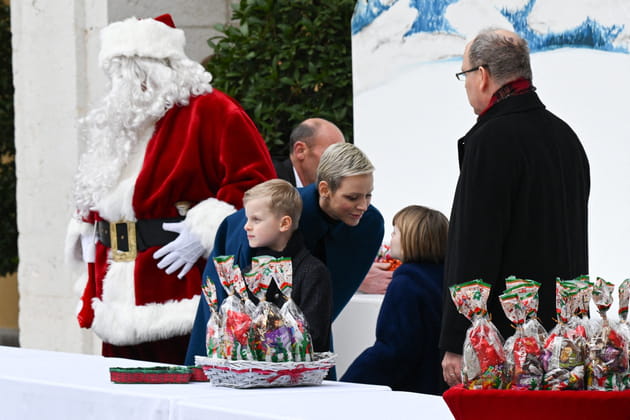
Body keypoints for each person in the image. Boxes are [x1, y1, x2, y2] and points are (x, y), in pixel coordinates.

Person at [65, 14, 276, 364]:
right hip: (115, 297)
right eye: (117, 72)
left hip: (180, 293)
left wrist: (206, 229)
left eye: (134, 71)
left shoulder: (211, 112)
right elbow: (99, 191)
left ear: (164, 67)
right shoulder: (121, 124)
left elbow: (259, 186)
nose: (125, 84)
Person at [440, 28, 589, 387]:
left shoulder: (491, 141)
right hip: (563, 335)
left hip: (504, 340)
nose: (465, 87)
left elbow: (474, 245)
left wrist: (458, 341)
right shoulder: (566, 137)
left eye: (464, 75)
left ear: (483, 75)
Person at [186, 142, 384, 364]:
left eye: (369, 196)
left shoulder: (369, 226)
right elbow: (242, 253)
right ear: (325, 189)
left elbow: (330, 301)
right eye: (353, 197)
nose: (363, 206)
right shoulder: (282, 212)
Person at [209, 179, 332, 352]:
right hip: (249, 375)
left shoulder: (313, 273)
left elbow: (315, 337)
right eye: (247, 218)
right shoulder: (248, 273)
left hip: (299, 376)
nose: (246, 227)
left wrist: (266, 341)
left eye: (256, 220)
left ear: (284, 223)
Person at [341, 205, 448, 394]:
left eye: (395, 232)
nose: (391, 237)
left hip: (413, 390)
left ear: (412, 239)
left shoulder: (406, 283)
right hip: (438, 384)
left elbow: (394, 349)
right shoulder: (444, 278)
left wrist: (351, 382)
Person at [273, 118, 345, 187]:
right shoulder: (272, 183)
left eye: (341, 157)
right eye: (331, 155)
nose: (339, 164)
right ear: (300, 151)